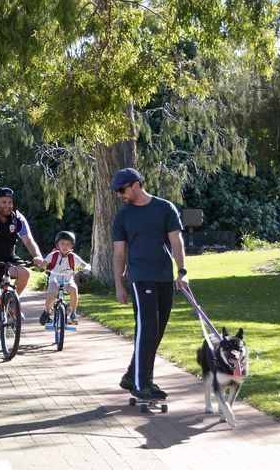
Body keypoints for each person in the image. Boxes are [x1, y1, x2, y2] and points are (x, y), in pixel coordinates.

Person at [110, 168, 190, 402]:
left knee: (158, 330)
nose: (119, 195)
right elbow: (118, 253)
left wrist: (182, 272)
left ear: (135, 185)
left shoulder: (165, 208)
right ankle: (141, 383)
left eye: (121, 189)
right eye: (117, 191)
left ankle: (132, 375)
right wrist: (119, 284)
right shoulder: (123, 217)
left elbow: (177, 241)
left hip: (164, 276)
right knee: (147, 328)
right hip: (140, 277)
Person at [0, 187, 45, 343]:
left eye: (10, 202)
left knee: (25, 273)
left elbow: (28, 240)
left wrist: (37, 256)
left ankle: (11, 303)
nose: (7, 205)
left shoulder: (17, 218)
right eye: (4, 202)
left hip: (9, 259)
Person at [37, 231, 89, 326]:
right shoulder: (53, 255)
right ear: (57, 245)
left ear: (71, 246)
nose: (65, 246)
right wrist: (39, 267)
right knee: (51, 296)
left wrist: (86, 269)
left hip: (68, 280)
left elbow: (84, 264)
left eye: (68, 244)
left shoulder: (73, 257)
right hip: (54, 279)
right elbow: (43, 264)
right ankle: (47, 311)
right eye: (62, 243)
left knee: (74, 290)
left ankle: (73, 313)